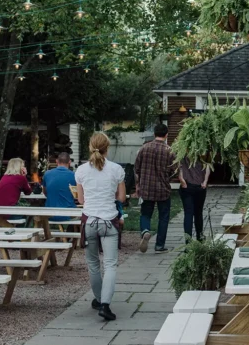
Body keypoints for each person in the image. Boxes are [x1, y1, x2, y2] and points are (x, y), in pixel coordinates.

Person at [76, 132, 126, 322]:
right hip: (109, 222)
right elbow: (121, 198)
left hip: (89, 221)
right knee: (110, 264)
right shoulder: (116, 169)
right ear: (108, 147)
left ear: (90, 147)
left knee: (93, 263)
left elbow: (81, 200)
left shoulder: (81, 171)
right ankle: (105, 304)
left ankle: (97, 299)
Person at [134, 124, 177, 254]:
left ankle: (145, 231)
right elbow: (175, 170)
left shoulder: (144, 148)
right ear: (166, 135)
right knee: (163, 216)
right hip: (163, 189)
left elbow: (137, 168)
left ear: (154, 134)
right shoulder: (169, 151)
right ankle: (159, 245)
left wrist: (138, 185)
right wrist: (168, 177)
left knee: (145, 213)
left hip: (146, 188)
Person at [178, 159, 210, 242]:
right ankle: (200, 239)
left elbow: (178, 167)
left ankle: (188, 242)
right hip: (200, 186)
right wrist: (205, 181)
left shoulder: (182, 153)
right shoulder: (202, 153)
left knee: (188, 214)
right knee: (198, 214)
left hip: (187, 186)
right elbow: (208, 166)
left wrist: (182, 181)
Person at [42, 152, 77, 221]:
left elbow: (45, 192)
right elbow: (76, 195)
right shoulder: (74, 175)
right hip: (68, 213)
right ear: (69, 162)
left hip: (49, 214)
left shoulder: (47, 174)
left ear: (56, 161)